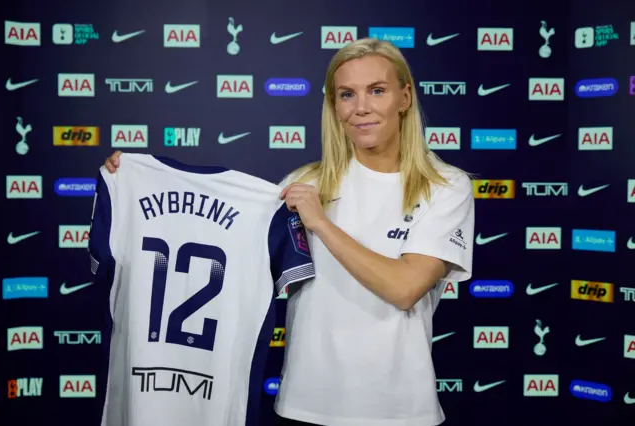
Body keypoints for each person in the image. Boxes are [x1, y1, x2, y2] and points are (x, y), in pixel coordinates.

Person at [103, 37, 474, 426]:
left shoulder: (446, 186)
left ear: (405, 97)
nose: (361, 107)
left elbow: (405, 288)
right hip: (301, 406)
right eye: (346, 95)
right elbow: (218, 245)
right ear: (334, 106)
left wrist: (322, 225)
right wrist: (136, 183)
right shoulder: (304, 183)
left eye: (377, 91)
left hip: (401, 412)